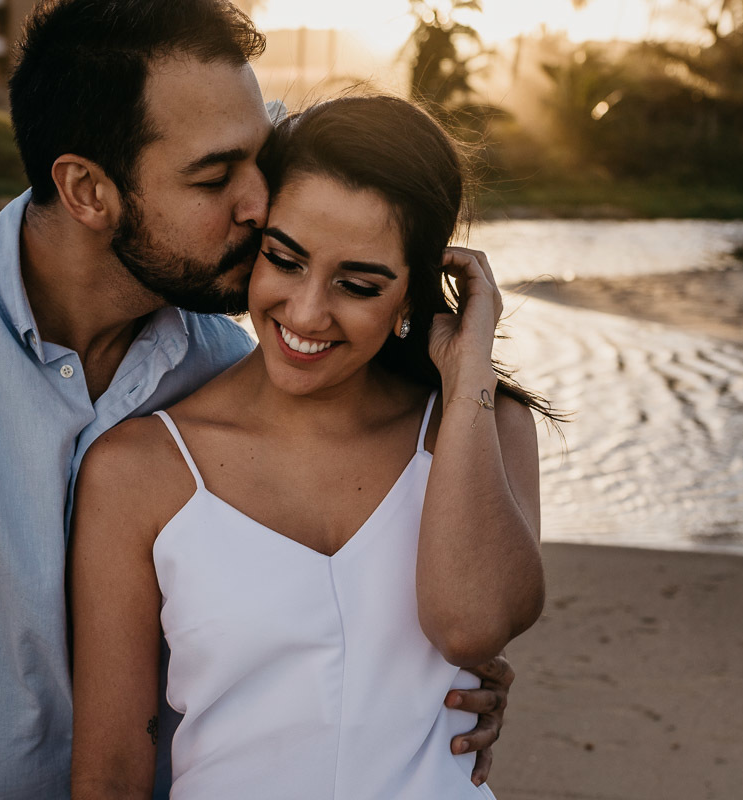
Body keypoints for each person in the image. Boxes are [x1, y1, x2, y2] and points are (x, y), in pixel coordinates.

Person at [0, 2, 511, 797]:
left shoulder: (240, 366)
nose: (261, 203)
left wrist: (426, 692)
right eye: (216, 177)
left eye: (264, 158)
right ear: (87, 190)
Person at [68, 94, 550, 799]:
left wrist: (471, 370)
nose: (306, 312)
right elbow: (110, 775)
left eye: (358, 284)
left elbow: (470, 627)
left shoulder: (484, 426)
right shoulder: (138, 471)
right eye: (285, 260)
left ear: (413, 295)